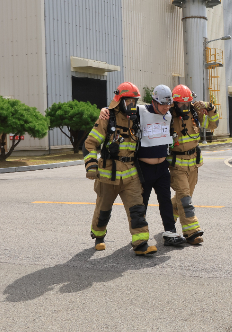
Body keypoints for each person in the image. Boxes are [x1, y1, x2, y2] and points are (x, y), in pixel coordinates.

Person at [99, 85, 187, 247]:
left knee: (165, 201)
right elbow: (120, 108)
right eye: (163, 104)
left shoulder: (169, 113)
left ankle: (170, 232)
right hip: (144, 168)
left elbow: (184, 104)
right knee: (141, 203)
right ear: (154, 102)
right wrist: (104, 109)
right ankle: (139, 235)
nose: (166, 107)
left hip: (162, 169)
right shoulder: (140, 111)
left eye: (169, 104)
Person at [83, 82, 158, 255]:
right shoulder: (107, 118)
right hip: (108, 175)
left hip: (131, 175)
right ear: (120, 101)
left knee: (137, 210)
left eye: (135, 101)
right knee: (103, 210)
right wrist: (91, 165)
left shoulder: (138, 117)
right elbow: (90, 143)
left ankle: (140, 243)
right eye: (128, 102)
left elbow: (158, 109)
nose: (132, 105)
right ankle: (99, 236)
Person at [167, 84, 220, 244]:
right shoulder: (168, 115)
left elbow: (213, 125)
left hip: (193, 165)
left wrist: (210, 108)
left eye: (187, 103)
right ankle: (192, 232)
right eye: (181, 104)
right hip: (177, 165)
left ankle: (168, 220)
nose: (184, 107)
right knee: (185, 198)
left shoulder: (195, 114)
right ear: (174, 103)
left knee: (185, 197)